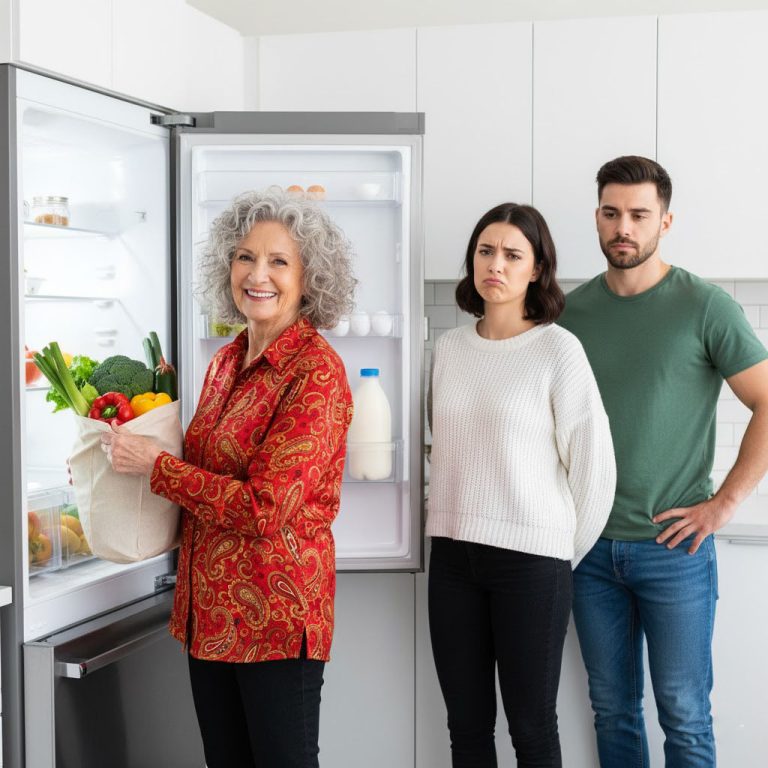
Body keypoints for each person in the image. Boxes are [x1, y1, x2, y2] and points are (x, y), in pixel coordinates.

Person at [101, 187, 356, 768]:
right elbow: (200, 471)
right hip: (209, 616)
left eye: (278, 261)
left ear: (309, 277)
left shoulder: (316, 373)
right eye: (245, 256)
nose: (257, 274)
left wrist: (155, 466)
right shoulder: (225, 360)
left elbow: (264, 508)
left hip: (274, 616)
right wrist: (114, 455)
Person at [558, 155, 768, 768]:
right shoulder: (569, 314)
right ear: (596, 217)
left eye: (639, 215)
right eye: (612, 212)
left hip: (674, 548)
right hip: (589, 550)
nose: (624, 227)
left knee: (683, 710)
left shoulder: (704, 306)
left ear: (665, 222)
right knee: (612, 708)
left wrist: (723, 503)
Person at [427, 202, 616, 767]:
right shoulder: (447, 350)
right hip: (454, 558)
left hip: (533, 563)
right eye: (487, 251)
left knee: (532, 729)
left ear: (536, 269)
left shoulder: (559, 350)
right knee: (466, 728)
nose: (496, 265)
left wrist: (557, 554)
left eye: (513, 255)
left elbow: (595, 471)